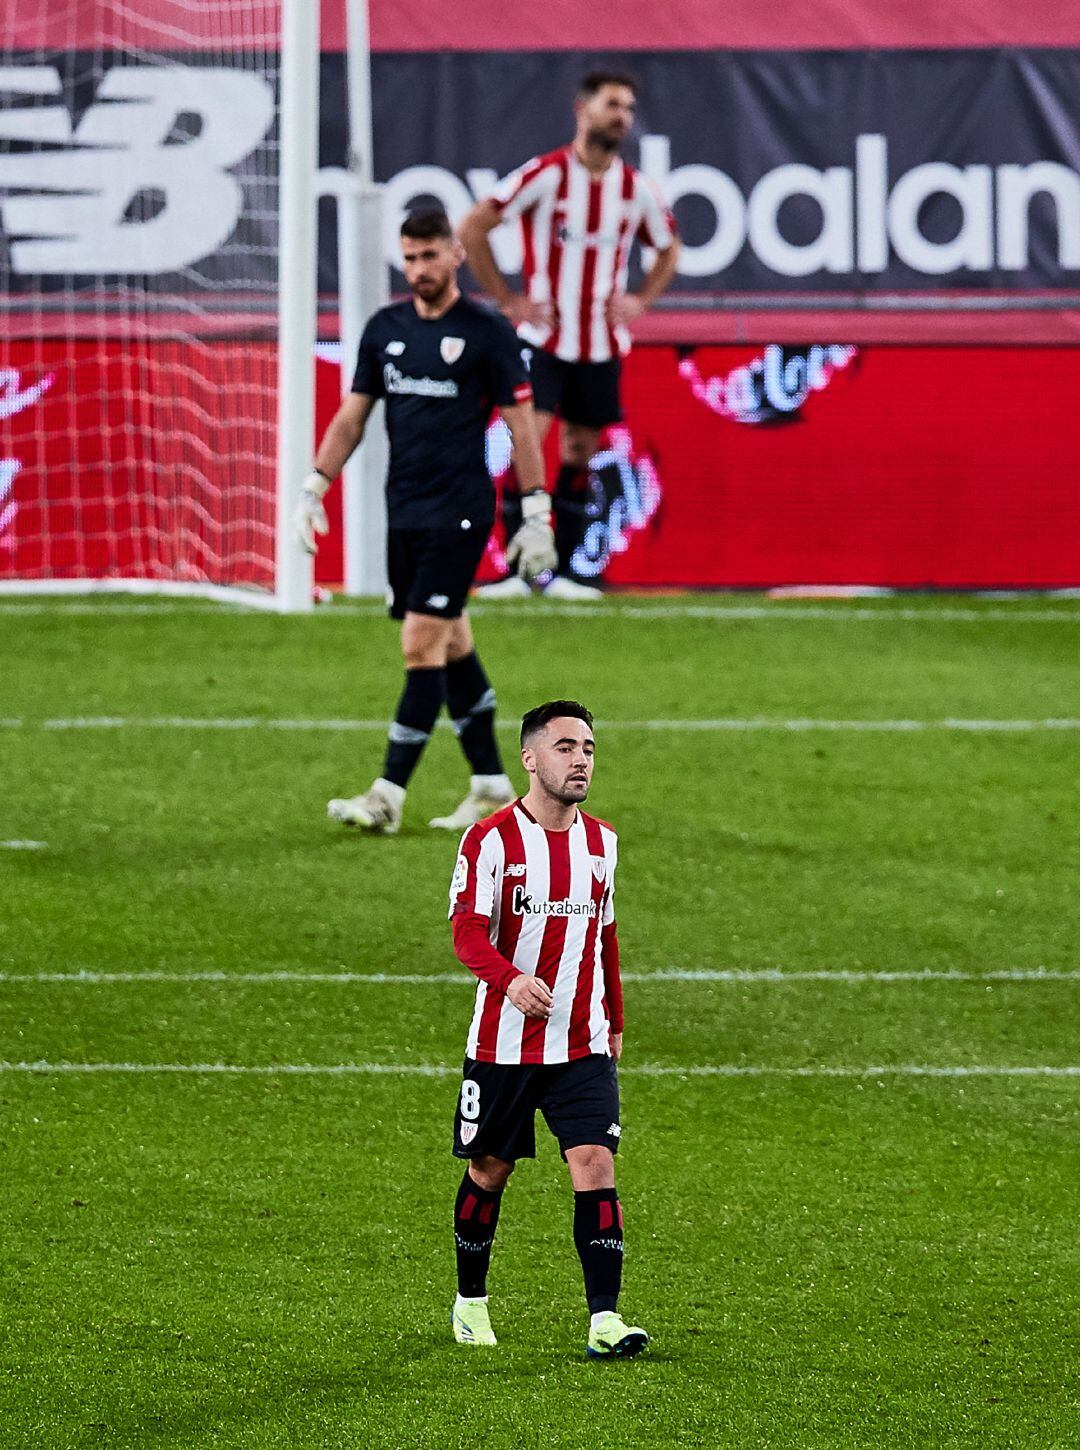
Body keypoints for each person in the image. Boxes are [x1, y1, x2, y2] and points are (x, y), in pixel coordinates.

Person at [295, 209, 557, 834]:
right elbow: (352, 417)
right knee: (452, 641)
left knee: (419, 644)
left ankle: (387, 795)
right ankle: (493, 785)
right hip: (404, 510)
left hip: (460, 511)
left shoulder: (487, 332)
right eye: (409, 258)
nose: (418, 270)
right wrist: (314, 486)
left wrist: (537, 509)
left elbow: (521, 425)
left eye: (429, 256)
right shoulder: (384, 328)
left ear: (455, 255)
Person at [446, 699, 648, 1359]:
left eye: (588, 748)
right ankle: (471, 1300)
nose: (580, 760)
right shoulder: (489, 840)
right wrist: (511, 980)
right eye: (565, 748)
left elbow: (606, 935)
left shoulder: (603, 842)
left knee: (595, 1164)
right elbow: (467, 935)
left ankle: (605, 1319)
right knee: (490, 1168)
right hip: (503, 1045)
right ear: (530, 759)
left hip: (582, 1043)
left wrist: (614, 1016)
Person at [458, 69, 680, 601]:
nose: (621, 115)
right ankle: (517, 571)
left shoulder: (635, 189)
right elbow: (472, 227)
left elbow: (668, 247)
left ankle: (569, 574)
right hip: (543, 340)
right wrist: (507, 299)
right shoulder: (547, 175)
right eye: (612, 104)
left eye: (628, 107)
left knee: (581, 452)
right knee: (524, 445)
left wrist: (640, 300)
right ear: (583, 109)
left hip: (601, 346)